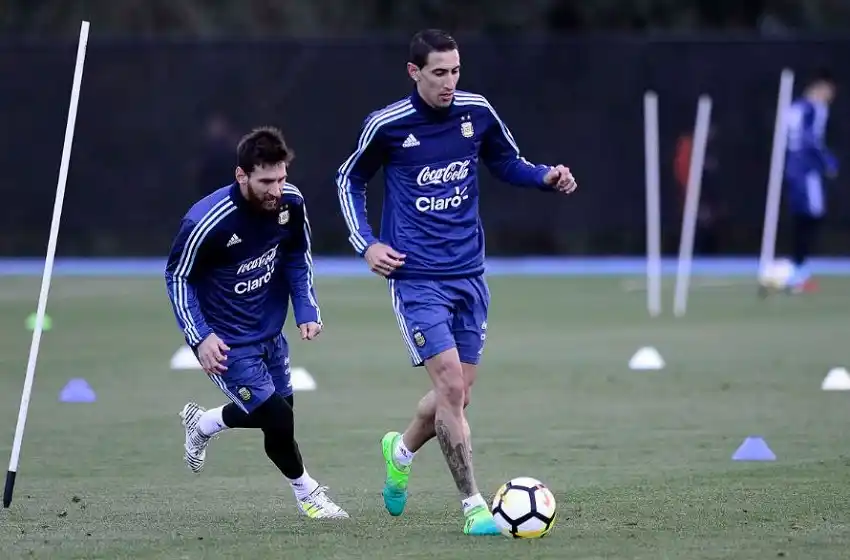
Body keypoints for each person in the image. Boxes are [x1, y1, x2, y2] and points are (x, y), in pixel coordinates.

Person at [334, 29, 577, 535]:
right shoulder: (388, 125)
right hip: (416, 277)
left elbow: (506, 161)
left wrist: (544, 177)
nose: (450, 82)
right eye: (439, 72)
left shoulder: (477, 111)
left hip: (470, 273)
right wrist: (368, 243)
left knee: (459, 395)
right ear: (414, 72)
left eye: (456, 71)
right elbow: (349, 179)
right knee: (447, 384)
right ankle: (473, 507)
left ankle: (399, 451)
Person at [165, 126, 348, 519]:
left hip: (270, 332)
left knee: (279, 416)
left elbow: (298, 255)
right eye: (266, 181)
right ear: (241, 175)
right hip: (226, 342)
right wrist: (200, 337)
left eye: (282, 178)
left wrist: (307, 309)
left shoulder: (290, 203)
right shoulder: (206, 221)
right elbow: (178, 278)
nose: (276, 189)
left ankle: (205, 423)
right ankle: (308, 494)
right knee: (278, 419)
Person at [783, 69, 838, 293]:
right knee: (812, 216)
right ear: (819, 88)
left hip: (791, 169)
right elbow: (811, 139)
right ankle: (798, 271)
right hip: (806, 171)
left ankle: (797, 269)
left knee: (803, 217)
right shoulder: (815, 108)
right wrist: (828, 162)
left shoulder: (794, 107)